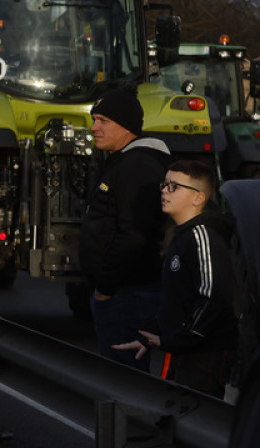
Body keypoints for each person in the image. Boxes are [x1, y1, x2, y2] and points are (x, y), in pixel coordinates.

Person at [112, 160, 238, 398]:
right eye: (164, 184)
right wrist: (151, 336)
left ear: (198, 198)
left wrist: (177, 339)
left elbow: (213, 295)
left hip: (204, 352)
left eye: (174, 187)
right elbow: (177, 299)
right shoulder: (182, 236)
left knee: (196, 423)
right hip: (183, 349)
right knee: (174, 418)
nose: (164, 191)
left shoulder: (202, 237)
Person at [81, 85, 173, 372]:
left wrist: (105, 288)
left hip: (126, 293)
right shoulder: (123, 161)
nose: (94, 128)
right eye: (94, 119)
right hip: (122, 291)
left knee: (123, 379)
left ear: (127, 127)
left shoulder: (137, 165)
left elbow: (133, 234)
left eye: (103, 121)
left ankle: (126, 419)